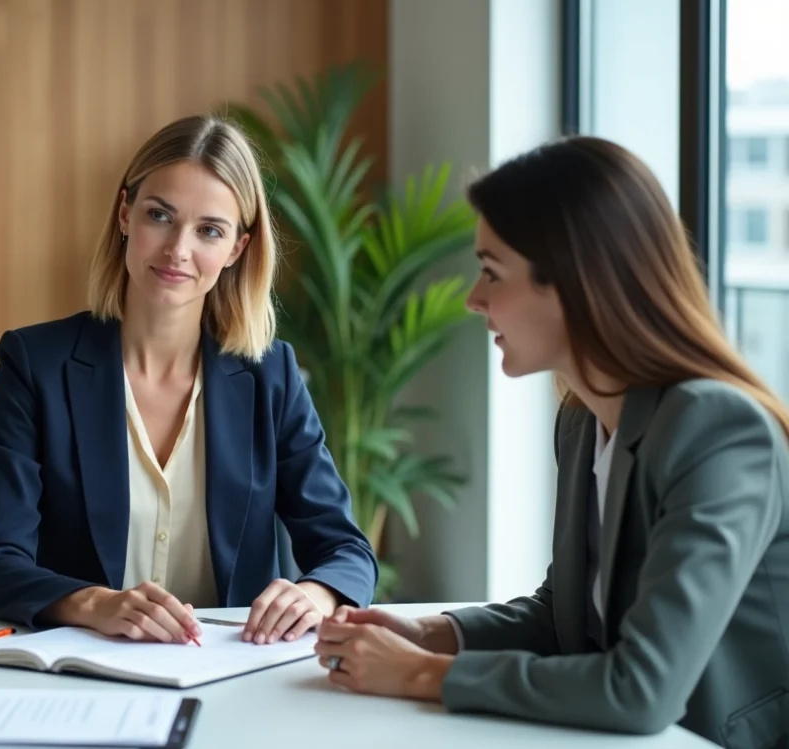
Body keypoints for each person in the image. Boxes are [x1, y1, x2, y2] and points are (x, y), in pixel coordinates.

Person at [313, 136, 789, 746]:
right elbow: (566, 616)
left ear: (572, 282)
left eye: (491, 272)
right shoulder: (582, 419)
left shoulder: (717, 431)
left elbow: (641, 689)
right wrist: (433, 634)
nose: (473, 299)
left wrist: (422, 674)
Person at [0, 114, 377, 645]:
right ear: (125, 213)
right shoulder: (35, 364)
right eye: (161, 216)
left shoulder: (271, 374)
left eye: (209, 230)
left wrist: (315, 594)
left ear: (237, 249)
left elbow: (348, 553)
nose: (179, 249)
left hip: (231, 674)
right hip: (87, 671)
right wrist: (95, 604)